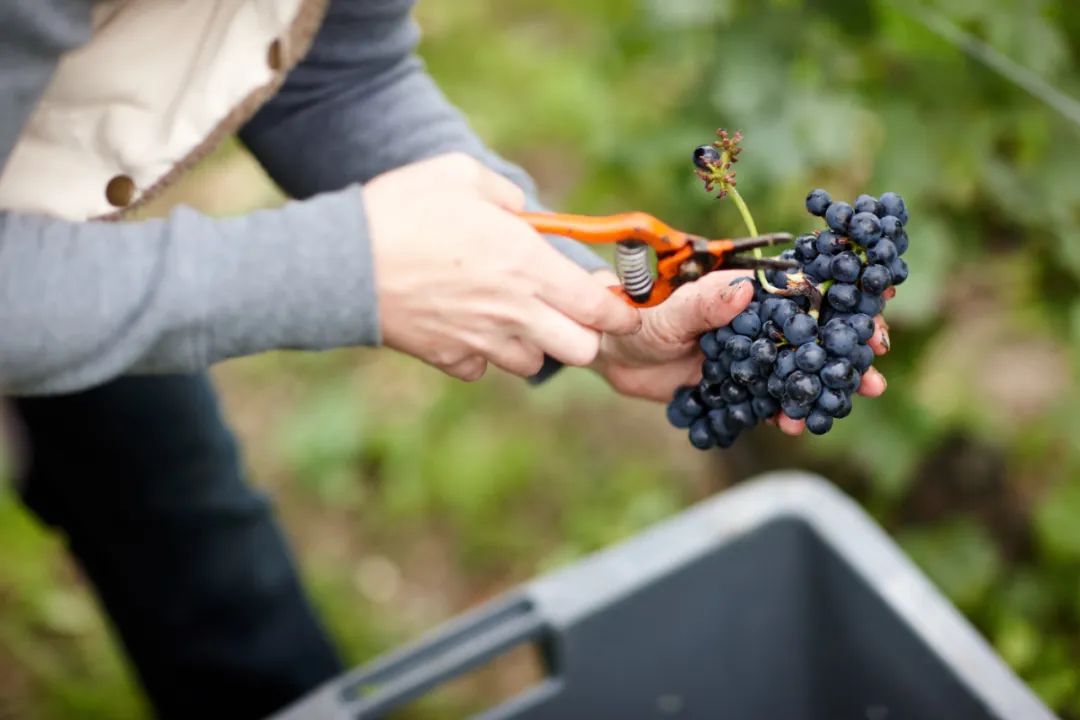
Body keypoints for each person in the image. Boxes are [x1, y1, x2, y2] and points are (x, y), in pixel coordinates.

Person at [0, 1, 888, 717]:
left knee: (174, 503)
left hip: (53, 226)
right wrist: (352, 272)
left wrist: (605, 307)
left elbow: (340, 75)